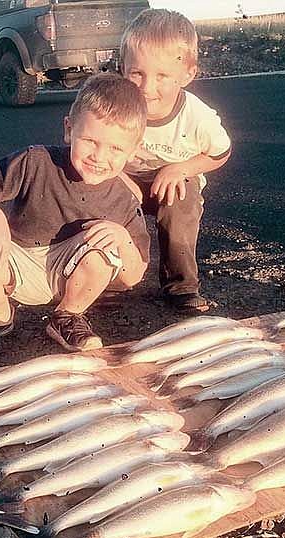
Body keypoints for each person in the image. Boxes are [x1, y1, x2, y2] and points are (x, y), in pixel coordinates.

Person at [0, 72, 149, 352]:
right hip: (20, 261)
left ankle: (68, 315)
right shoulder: (37, 161)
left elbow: (132, 277)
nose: (99, 157)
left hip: (72, 272)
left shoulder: (125, 200)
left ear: (134, 151)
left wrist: (122, 240)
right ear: (68, 129)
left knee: (104, 251)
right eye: (89, 141)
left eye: (115, 148)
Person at [120, 9, 233, 313]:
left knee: (180, 205)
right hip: (126, 175)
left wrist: (181, 168)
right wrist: (120, 179)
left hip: (175, 178)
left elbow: (220, 153)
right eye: (137, 73)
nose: (146, 87)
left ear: (187, 74)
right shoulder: (119, 105)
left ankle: (180, 285)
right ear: (123, 68)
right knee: (94, 191)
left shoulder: (197, 116)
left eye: (162, 76)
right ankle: (110, 279)